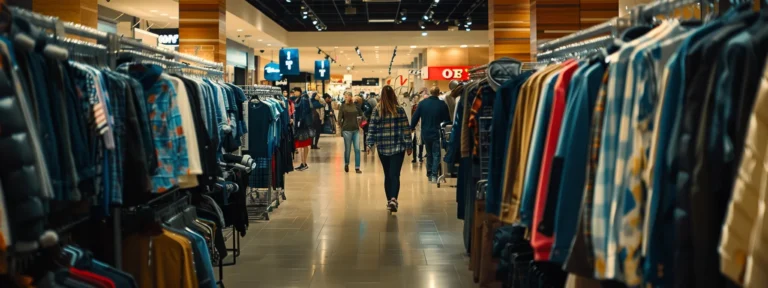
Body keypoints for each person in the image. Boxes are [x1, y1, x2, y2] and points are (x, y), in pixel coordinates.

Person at [366, 86, 412, 212]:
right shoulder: (399, 110)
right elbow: (405, 128)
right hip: (398, 147)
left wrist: (369, 144)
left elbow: (372, 128)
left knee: (388, 174)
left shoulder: (377, 110)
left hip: (382, 147)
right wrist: (409, 145)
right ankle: (393, 199)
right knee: (395, 174)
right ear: (393, 95)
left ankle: (390, 200)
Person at [410, 87, 451, 183]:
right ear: (438, 93)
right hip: (436, 132)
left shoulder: (422, 103)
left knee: (429, 154)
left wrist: (411, 127)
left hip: (425, 132)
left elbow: (415, 116)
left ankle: (429, 174)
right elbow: (447, 120)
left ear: (430, 93)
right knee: (436, 154)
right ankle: (433, 175)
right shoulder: (442, 104)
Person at [338, 92, 364, 173]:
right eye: (345, 96)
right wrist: (342, 127)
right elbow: (339, 119)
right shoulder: (342, 106)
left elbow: (361, 115)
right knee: (348, 149)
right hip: (346, 130)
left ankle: (357, 167)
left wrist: (360, 123)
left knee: (357, 149)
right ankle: (346, 163)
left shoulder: (355, 106)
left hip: (355, 129)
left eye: (348, 96)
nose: (346, 98)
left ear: (351, 97)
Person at [293, 87, 314, 171]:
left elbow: (303, 112)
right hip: (303, 125)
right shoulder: (301, 99)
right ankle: (303, 163)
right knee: (303, 145)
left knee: (303, 145)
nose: (294, 93)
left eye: (295, 92)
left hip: (303, 125)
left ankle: (303, 163)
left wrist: (299, 122)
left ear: (299, 92)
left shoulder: (303, 100)